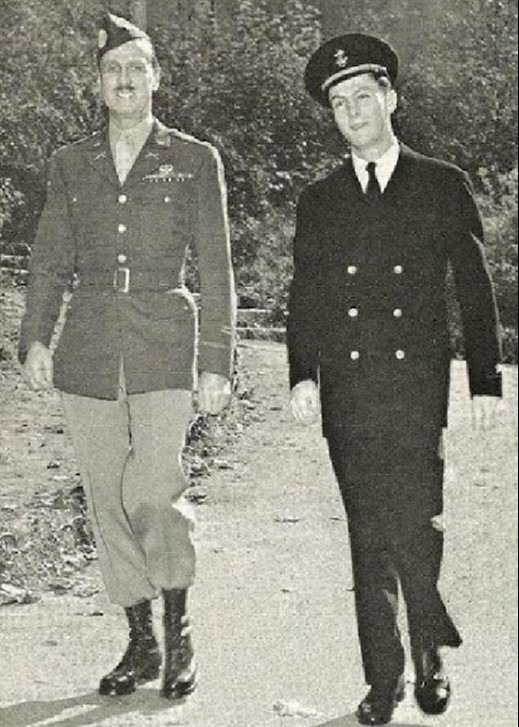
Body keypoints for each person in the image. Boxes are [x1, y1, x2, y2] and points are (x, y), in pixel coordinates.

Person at [19, 13, 236, 700]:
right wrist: (35, 337)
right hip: (88, 343)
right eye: (112, 70)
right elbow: (49, 259)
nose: (124, 80)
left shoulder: (193, 158)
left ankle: (178, 627)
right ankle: (140, 639)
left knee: (153, 488)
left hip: (165, 340)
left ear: (155, 78)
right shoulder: (70, 163)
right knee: (105, 493)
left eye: (135, 69)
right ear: (98, 84)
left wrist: (216, 361)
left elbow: (217, 266)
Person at [287, 33, 502, 726]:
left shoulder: (440, 183)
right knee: (366, 535)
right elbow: (306, 294)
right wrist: (301, 373)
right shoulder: (319, 200)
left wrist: (485, 380)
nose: (353, 111)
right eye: (339, 103)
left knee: (416, 525)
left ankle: (429, 650)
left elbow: (473, 287)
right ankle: (383, 677)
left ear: (391, 99)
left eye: (363, 96)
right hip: (349, 389)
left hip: (414, 388)